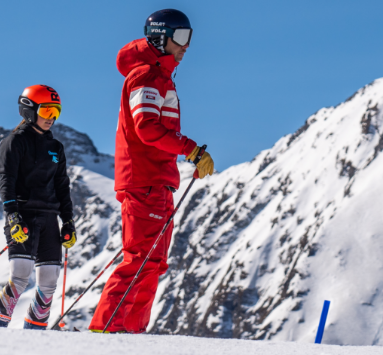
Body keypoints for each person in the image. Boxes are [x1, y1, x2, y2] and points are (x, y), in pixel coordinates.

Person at [88, 9, 214, 333]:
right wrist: (191, 150)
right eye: (181, 38)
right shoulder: (146, 76)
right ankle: (104, 331)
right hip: (144, 181)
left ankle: (131, 333)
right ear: (161, 37)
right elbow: (146, 128)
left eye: (190, 38)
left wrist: (188, 155)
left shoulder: (161, 76)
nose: (186, 46)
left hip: (157, 182)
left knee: (153, 264)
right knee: (139, 259)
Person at [0, 84, 77, 330]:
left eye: (56, 112)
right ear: (29, 110)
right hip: (23, 216)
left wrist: (68, 221)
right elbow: (7, 182)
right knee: (20, 276)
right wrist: (13, 217)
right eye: (47, 112)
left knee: (49, 280)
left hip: (49, 219)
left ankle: (34, 333)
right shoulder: (15, 142)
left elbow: (62, 187)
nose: (52, 118)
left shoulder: (56, 148)